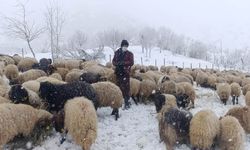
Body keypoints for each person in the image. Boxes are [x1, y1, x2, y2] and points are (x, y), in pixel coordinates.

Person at [112, 40, 134, 109]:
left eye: (126, 46)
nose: (125, 47)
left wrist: (123, 63)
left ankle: (127, 102)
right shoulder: (117, 53)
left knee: (126, 87)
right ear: (121, 46)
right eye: (124, 46)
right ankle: (119, 101)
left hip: (125, 72)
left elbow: (131, 62)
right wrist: (117, 63)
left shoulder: (130, 54)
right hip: (118, 72)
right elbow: (113, 61)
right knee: (118, 87)